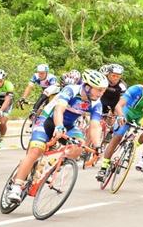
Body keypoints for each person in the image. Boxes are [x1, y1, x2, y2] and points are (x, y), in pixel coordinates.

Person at [7, 69, 108, 202]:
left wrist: (97, 146)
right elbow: (59, 110)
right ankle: (16, 187)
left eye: (103, 90)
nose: (101, 93)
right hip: (46, 120)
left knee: (79, 147)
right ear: (88, 87)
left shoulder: (96, 103)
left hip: (69, 125)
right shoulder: (71, 90)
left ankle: (51, 167)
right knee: (36, 151)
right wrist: (59, 126)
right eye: (99, 90)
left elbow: (95, 126)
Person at [96, 74, 143, 181]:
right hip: (127, 112)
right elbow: (119, 105)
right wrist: (120, 116)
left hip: (142, 115)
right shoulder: (135, 89)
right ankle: (104, 167)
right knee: (117, 137)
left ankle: (134, 146)